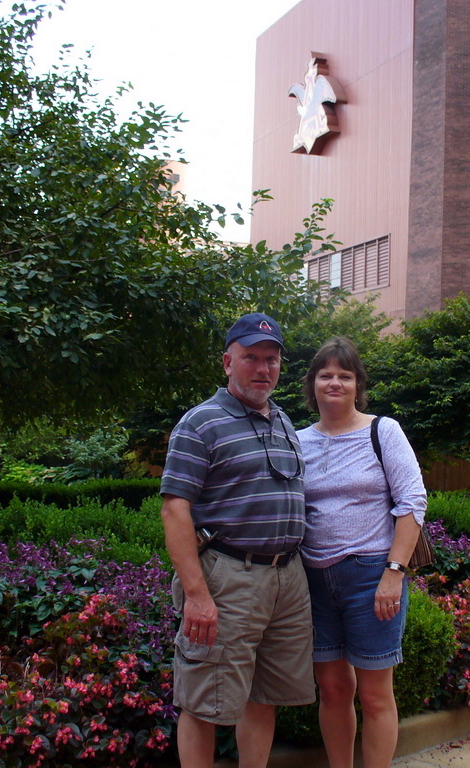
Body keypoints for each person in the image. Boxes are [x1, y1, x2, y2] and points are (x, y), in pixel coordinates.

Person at [160, 312, 314, 768]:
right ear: (228, 362)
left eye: (271, 359)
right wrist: (196, 595)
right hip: (228, 577)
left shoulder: (283, 420)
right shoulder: (200, 422)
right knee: (202, 700)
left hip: (288, 579)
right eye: (251, 357)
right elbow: (174, 509)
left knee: (264, 695)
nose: (263, 368)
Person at [297, 336, 427, 768]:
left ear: (358, 385)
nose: (334, 383)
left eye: (345, 376)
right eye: (325, 375)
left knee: (374, 695)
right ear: (312, 384)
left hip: (371, 577)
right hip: (313, 581)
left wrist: (394, 572)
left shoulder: (382, 431)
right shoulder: (297, 441)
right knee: (333, 690)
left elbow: (412, 502)